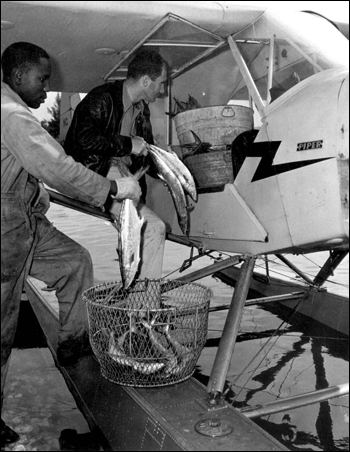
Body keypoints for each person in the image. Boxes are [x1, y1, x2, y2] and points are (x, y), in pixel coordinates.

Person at [1, 41, 142, 446]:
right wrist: (114, 188)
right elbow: (58, 167)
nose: (47, 89)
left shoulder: (13, 111)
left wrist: (36, 194)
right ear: (17, 76)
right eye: (43, 79)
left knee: (76, 263)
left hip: (25, 219)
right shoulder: (12, 116)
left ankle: (73, 349)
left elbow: (28, 169)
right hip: (6, 229)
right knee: (3, 327)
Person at [64, 50, 167, 282]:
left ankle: (138, 300)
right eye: (161, 83)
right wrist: (128, 145)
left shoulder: (142, 109)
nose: (163, 90)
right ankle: (142, 308)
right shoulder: (102, 98)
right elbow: (82, 139)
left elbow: (144, 152)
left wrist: (163, 158)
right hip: (96, 179)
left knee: (151, 230)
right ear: (145, 81)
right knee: (154, 228)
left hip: (126, 183)